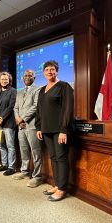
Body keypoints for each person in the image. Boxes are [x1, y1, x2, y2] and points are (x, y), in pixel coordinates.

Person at [35, 60, 74, 201]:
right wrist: (38, 127)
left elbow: (67, 109)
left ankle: (62, 188)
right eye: (46, 70)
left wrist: (64, 130)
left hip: (59, 130)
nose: (49, 72)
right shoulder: (41, 89)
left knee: (61, 158)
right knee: (53, 158)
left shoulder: (64, 86)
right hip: (46, 130)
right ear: (43, 72)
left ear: (56, 71)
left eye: (52, 69)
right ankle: (57, 185)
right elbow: (39, 110)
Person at [13, 70, 42, 187]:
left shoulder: (38, 89)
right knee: (23, 150)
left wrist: (23, 118)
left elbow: (36, 106)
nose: (27, 77)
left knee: (36, 152)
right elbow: (15, 108)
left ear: (34, 78)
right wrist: (18, 120)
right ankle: (25, 172)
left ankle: (37, 176)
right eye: (25, 75)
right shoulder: (19, 92)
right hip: (21, 127)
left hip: (32, 125)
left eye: (30, 75)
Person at [0, 72, 17, 176]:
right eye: (2, 79)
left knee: (10, 146)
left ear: (9, 80)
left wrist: (2, 117)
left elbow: (11, 106)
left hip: (9, 123)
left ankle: (12, 167)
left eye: (6, 79)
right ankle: (5, 164)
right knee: (1, 145)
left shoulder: (13, 91)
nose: (4, 81)